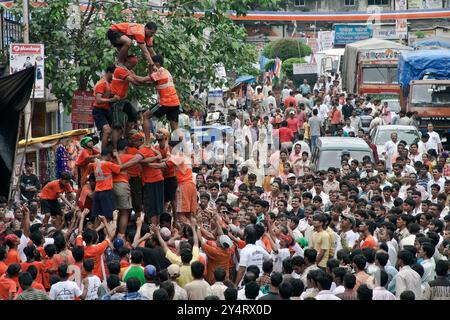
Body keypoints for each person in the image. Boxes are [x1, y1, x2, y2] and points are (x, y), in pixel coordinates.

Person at [142, 55, 181, 142]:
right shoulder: (166, 72)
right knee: (175, 128)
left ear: (157, 64)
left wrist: (129, 75)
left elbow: (142, 80)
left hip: (166, 102)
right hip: (175, 102)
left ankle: (147, 143)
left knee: (145, 115)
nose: (149, 65)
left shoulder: (159, 73)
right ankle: (184, 149)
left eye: (151, 64)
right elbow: (152, 82)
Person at [92, 65, 116, 150]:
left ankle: (113, 150)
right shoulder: (101, 83)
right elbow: (98, 100)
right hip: (99, 111)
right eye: (114, 74)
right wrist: (112, 99)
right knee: (107, 131)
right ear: (109, 72)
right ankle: (103, 153)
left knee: (116, 131)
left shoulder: (110, 83)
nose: (115, 77)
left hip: (107, 110)